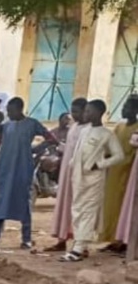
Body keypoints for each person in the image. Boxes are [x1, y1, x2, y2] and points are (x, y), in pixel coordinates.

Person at [0, 96, 55, 249]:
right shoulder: (7, 127)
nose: (9, 114)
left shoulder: (32, 124)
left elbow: (51, 138)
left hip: (23, 169)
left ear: (19, 109)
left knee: (23, 203)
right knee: (0, 202)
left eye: (11, 111)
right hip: (6, 169)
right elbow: (3, 151)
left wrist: (35, 151)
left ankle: (26, 238)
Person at [60, 99, 124, 262]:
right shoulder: (84, 130)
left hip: (94, 179)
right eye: (85, 111)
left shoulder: (106, 134)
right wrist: (72, 164)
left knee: (88, 212)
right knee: (77, 210)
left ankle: (78, 249)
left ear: (98, 113)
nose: (85, 114)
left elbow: (119, 156)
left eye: (89, 111)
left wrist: (100, 165)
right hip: (78, 177)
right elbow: (78, 151)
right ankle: (82, 245)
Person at [47, 97, 89, 251]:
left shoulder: (90, 129)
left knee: (79, 208)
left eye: (77, 111)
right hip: (66, 173)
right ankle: (61, 239)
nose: (74, 115)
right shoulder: (74, 127)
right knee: (64, 206)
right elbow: (69, 148)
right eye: (73, 111)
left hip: (80, 174)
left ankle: (81, 246)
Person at [99, 95, 138, 252]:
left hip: (127, 175)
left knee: (124, 207)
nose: (123, 109)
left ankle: (123, 241)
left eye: (127, 107)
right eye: (123, 106)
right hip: (113, 172)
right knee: (110, 207)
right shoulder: (119, 127)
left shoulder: (136, 128)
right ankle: (113, 239)